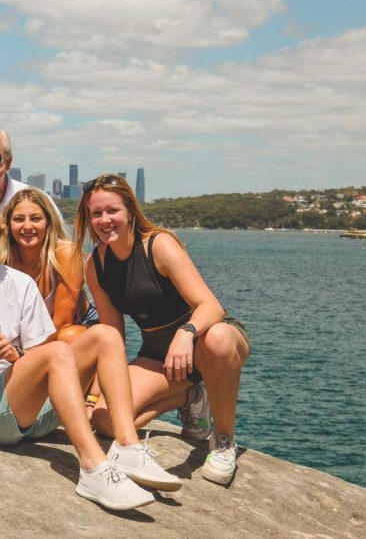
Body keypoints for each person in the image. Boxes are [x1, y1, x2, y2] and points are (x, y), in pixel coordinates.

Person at [0, 195, 181, 511]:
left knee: (105, 335)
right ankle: (93, 467)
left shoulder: (19, 284)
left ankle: (128, 445)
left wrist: (14, 356)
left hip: (33, 414)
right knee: (57, 352)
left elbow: (40, 360)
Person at [75, 174, 251, 485]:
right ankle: (189, 397)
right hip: (159, 357)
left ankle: (223, 441)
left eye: (112, 210)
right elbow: (111, 335)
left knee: (219, 339)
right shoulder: (96, 265)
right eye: (96, 213)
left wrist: (186, 333)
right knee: (103, 419)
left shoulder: (158, 245)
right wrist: (95, 394)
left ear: (130, 209)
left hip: (205, 342)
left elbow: (211, 307)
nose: (105, 220)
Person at [0, 187, 97, 343]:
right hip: (31, 335)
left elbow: (62, 324)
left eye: (36, 219)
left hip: (76, 327)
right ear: (8, 225)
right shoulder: (3, 262)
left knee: (67, 337)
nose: (27, 226)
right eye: (18, 219)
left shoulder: (66, 254)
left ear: (48, 222)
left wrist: (19, 353)